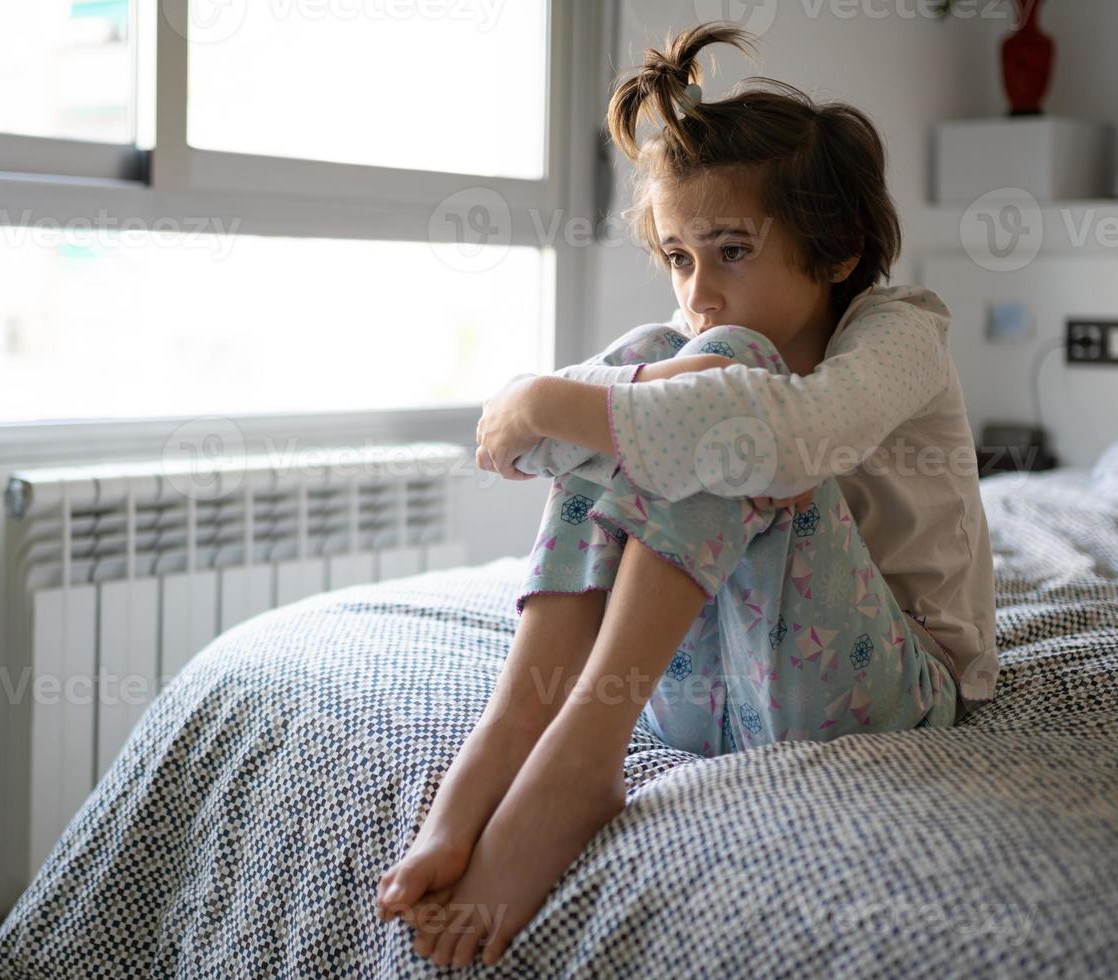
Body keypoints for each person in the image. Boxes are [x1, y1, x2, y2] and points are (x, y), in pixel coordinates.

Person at [374, 21, 1000, 968]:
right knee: (670, 370)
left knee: (723, 395)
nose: (698, 290)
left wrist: (543, 396)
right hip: (708, 692)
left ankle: (584, 757)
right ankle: (517, 724)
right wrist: (573, 405)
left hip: (888, 690)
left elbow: (781, 441)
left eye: (732, 251)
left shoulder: (901, 334)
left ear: (835, 252)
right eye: (677, 256)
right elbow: (546, 455)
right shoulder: (682, 336)